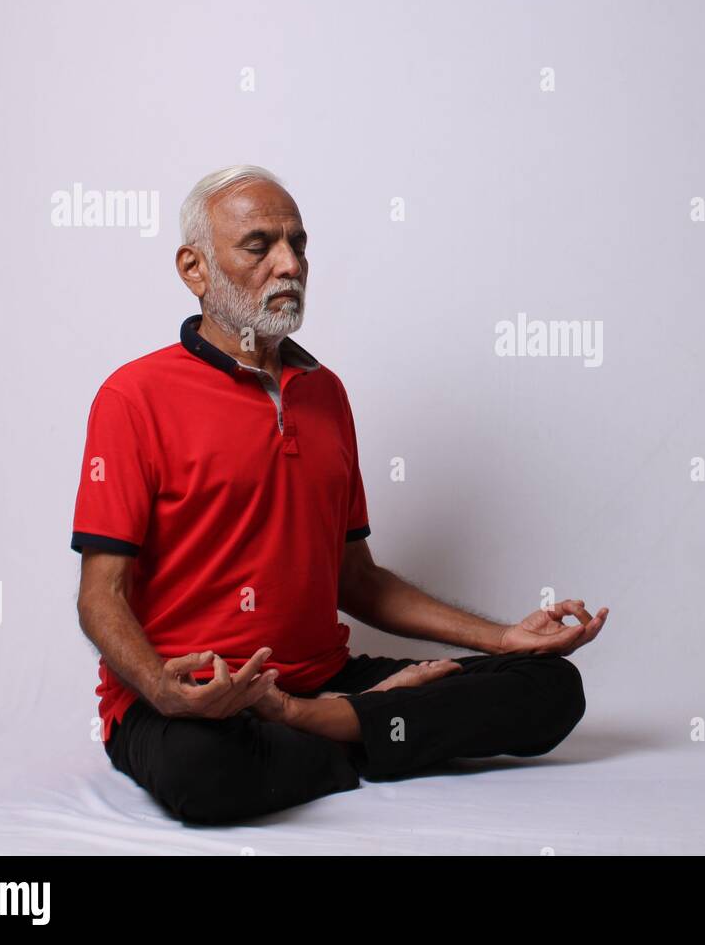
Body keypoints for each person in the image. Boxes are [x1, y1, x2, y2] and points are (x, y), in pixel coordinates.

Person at [70, 164, 608, 826]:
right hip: (199, 695)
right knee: (205, 774)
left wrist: (503, 639)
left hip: (320, 678)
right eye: (259, 246)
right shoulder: (133, 398)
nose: (289, 263)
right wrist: (161, 688)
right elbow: (102, 595)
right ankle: (361, 730)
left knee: (551, 689)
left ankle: (313, 722)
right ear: (194, 269)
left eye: (299, 244)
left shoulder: (325, 394)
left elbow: (359, 580)